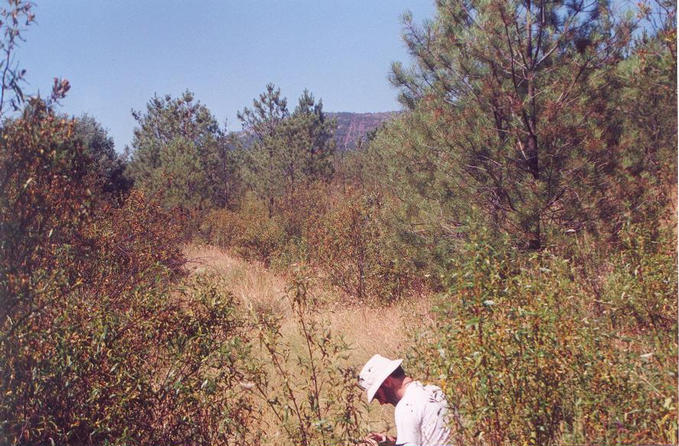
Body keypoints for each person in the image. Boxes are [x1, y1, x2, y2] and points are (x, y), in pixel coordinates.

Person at [358, 354, 451, 446]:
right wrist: (392, 443)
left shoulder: (405, 406)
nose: (382, 402)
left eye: (378, 395)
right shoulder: (435, 390)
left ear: (387, 382)